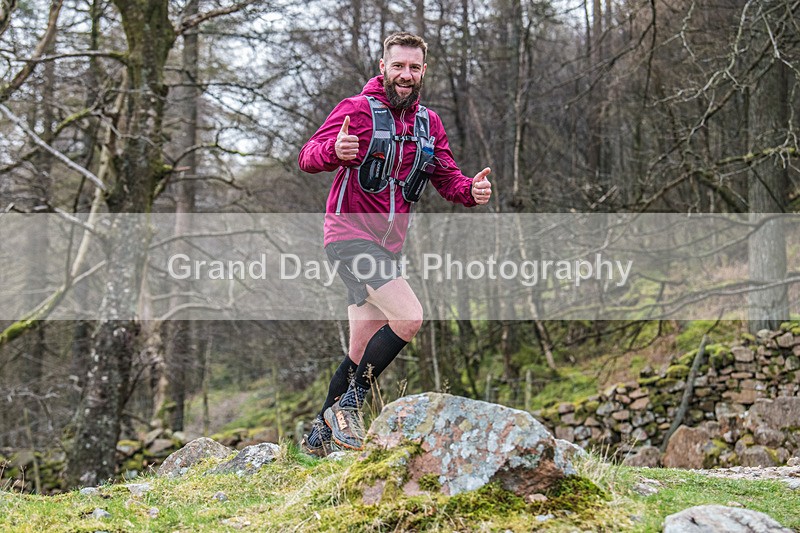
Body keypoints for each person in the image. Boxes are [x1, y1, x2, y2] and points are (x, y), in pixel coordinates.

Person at [297, 31, 492, 455]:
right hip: (348, 236)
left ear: (424, 72)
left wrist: (469, 191)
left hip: (387, 248)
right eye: (398, 66)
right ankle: (349, 407)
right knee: (409, 317)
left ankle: (316, 442)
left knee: (361, 348)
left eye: (414, 67)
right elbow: (308, 154)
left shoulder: (429, 124)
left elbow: (448, 177)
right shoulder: (357, 110)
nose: (406, 74)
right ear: (383, 67)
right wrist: (336, 148)